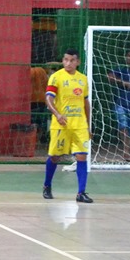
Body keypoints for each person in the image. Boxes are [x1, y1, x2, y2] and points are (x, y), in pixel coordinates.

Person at [41, 50, 94, 203]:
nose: (68, 63)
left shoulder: (83, 79)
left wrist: (88, 125)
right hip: (61, 124)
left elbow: (85, 103)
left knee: (82, 156)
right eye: (66, 60)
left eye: (72, 60)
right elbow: (49, 98)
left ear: (77, 62)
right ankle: (47, 185)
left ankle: (81, 193)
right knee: (55, 156)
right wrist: (57, 114)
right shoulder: (56, 77)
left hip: (80, 125)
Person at [107, 50, 130, 162]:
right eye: (129, 56)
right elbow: (109, 77)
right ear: (125, 57)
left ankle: (127, 150)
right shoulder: (122, 69)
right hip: (121, 103)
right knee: (123, 126)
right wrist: (122, 82)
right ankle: (126, 152)